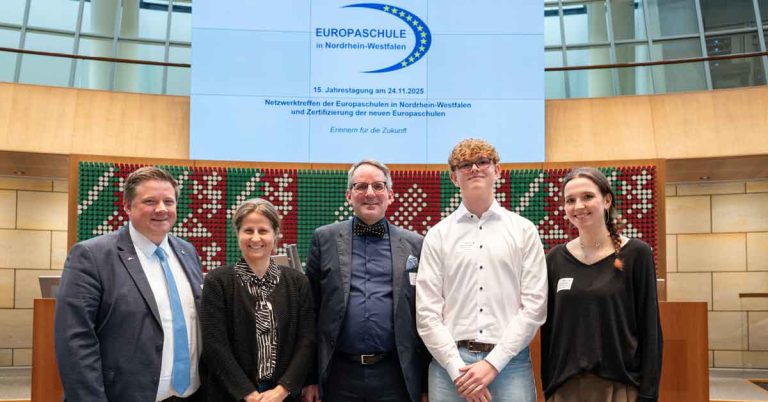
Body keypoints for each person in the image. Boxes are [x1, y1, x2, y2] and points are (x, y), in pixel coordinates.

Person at [55, 166, 204, 402]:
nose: (161, 209)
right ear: (127, 206)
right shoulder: (92, 255)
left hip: (192, 395)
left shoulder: (188, 252)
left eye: (169, 201)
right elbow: (75, 341)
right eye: (150, 201)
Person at [416, 138, 547, 402]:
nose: (474, 168)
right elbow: (427, 312)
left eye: (483, 161)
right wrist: (457, 371)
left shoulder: (523, 230)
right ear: (454, 177)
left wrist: (492, 363)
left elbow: (535, 305)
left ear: (497, 170)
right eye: (465, 164)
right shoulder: (437, 235)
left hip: (509, 363)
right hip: (449, 364)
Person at [301, 159, 429, 402]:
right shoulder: (323, 238)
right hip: (339, 375)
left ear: (390, 195)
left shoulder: (416, 244)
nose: (370, 193)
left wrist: (424, 383)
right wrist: (310, 378)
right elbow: (311, 312)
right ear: (349, 195)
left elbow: (422, 315)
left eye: (378, 186)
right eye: (361, 187)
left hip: (396, 375)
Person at [540, 167, 663, 402]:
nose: (578, 206)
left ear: (607, 200)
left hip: (619, 387)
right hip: (565, 389)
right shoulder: (554, 259)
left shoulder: (637, 254)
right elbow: (549, 331)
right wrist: (549, 387)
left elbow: (650, 329)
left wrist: (649, 393)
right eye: (570, 200)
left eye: (587, 197)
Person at [200, 198, 315, 402]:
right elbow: (215, 346)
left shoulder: (297, 282)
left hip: (283, 396)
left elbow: (306, 341)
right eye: (248, 230)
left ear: (275, 234)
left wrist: (282, 391)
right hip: (230, 395)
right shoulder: (217, 281)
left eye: (262, 231)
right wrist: (248, 394)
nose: (255, 238)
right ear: (237, 234)